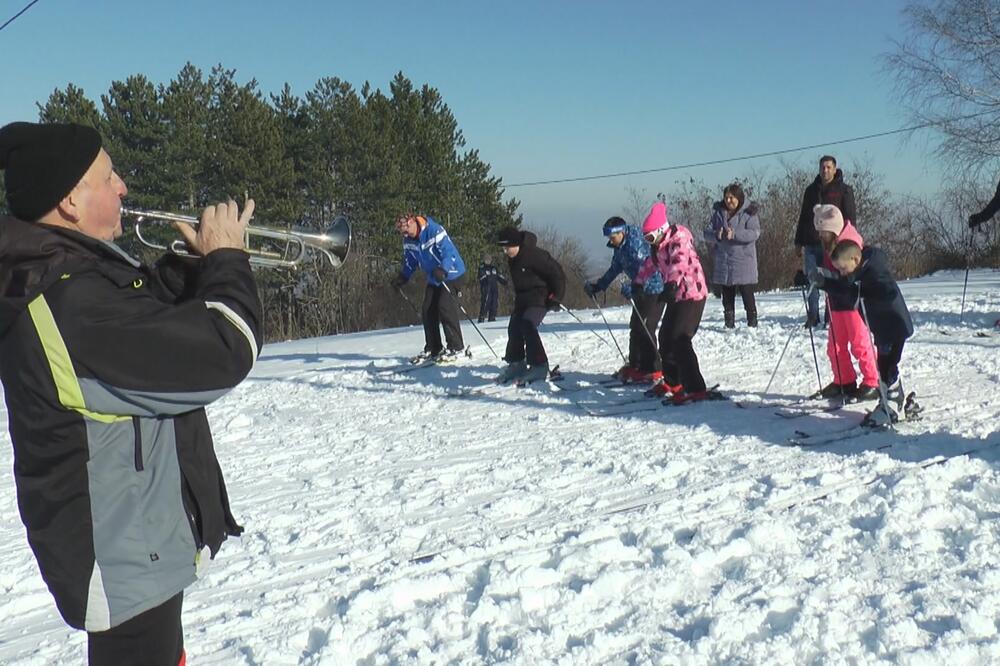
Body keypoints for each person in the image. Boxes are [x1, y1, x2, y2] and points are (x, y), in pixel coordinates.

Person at [0, 121, 262, 666]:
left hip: (137, 546)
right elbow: (226, 349)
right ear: (71, 199)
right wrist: (228, 261)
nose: (123, 186)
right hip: (121, 561)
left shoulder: (73, 274)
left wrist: (193, 267)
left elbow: (144, 315)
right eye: (109, 175)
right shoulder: (70, 304)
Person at [812, 239, 914, 424]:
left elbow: (879, 290)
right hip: (881, 327)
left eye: (843, 269)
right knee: (883, 365)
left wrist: (863, 291)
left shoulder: (875, 270)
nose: (843, 274)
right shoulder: (860, 273)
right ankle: (891, 399)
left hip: (893, 325)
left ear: (855, 259)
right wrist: (824, 283)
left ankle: (892, 405)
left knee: (888, 366)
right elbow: (849, 291)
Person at [635, 201, 718, 404]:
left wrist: (671, 284)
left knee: (680, 339)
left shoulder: (679, 236)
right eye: (646, 238)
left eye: (651, 237)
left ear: (661, 230)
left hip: (692, 294)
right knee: (665, 337)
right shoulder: (658, 247)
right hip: (676, 295)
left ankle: (695, 387)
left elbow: (679, 262)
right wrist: (638, 282)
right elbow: (649, 265)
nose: (650, 241)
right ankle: (674, 382)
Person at [583, 216, 665, 383]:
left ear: (621, 232)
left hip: (655, 289)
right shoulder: (620, 246)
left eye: (612, 237)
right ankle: (636, 365)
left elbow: (648, 268)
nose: (611, 241)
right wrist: (599, 286)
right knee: (635, 327)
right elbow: (615, 268)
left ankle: (654, 368)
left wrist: (634, 286)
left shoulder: (635, 244)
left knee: (646, 327)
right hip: (640, 290)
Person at [812, 204, 879, 401]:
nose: (820, 236)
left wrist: (828, 280)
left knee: (859, 342)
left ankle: (872, 381)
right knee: (835, 345)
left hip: (852, 301)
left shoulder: (848, 242)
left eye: (823, 231)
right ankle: (844, 380)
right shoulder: (830, 243)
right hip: (835, 300)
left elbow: (850, 275)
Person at [390, 214, 466, 363]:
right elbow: (410, 262)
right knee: (427, 309)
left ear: (412, 222)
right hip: (434, 277)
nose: (405, 234)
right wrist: (402, 277)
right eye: (402, 232)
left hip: (452, 273)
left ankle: (456, 347)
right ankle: (434, 347)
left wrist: (443, 269)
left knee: (444, 306)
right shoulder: (408, 240)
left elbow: (448, 253)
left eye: (406, 230)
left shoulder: (434, 230)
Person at [495, 226, 566, 384]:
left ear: (515, 244)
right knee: (514, 326)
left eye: (507, 248)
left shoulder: (534, 255)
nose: (505, 251)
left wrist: (557, 297)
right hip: (523, 299)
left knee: (527, 324)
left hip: (540, 297)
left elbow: (557, 273)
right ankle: (517, 363)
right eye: (503, 248)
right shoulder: (513, 258)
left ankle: (539, 365)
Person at [795, 155, 857, 328]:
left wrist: (847, 242)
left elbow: (850, 218)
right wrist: (798, 242)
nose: (825, 170)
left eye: (829, 167)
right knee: (812, 280)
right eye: (823, 167)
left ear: (835, 169)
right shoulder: (810, 190)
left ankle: (832, 316)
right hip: (811, 242)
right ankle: (812, 316)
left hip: (833, 245)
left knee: (833, 280)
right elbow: (803, 217)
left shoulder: (844, 190)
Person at [703, 183, 760, 328]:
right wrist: (717, 234)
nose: (729, 201)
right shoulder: (718, 212)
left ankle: (752, 322)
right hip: (724, 259)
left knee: (746, 292)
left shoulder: (749, 212)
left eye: (732, 198)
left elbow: (754, 233)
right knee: (727, 293)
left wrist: (735, 234)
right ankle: (729, 322)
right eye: (726, 198)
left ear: (739, 198)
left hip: (743, 259)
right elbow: (706, 233)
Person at [477, 255, 507, 322]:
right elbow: (481, 277)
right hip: (486, 289)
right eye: (486, 259)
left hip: (494, 288)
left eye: (489, 259)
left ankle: (492, 317)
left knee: (494, 304)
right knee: (486, 302)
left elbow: (499, 276)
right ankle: (482, 317)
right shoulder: (482, 268)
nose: (488, 261)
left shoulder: (493, 268)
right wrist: (486, 279)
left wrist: (504, 281)